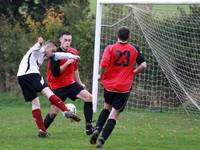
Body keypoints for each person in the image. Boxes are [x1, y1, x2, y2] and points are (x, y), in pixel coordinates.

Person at [90, 26, 147, 148]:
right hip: (124, 88)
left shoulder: (110, 48)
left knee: (106, 108)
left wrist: (101, 76)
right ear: (129, 36)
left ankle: (97, 128)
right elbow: (144, 65)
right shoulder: (134, 49)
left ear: (117, 36)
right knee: (114, 114)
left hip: (109, 86)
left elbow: (104, 64)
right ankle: (101, 140)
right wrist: (133, 72)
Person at [17, 37, 81, 138]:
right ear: (47, 47)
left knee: (35, 103)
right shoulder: (39, 49)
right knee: (47, 91)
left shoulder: (46, 54)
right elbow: (36, 47)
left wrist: (72, 56)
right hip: (31, 74)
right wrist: (39, 42)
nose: (53, 53)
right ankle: (66, 110)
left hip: (21, 77)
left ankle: (42, 131)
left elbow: (58, 55)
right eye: (52, 50)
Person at [44, 31, 93, 135]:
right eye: (65, 40)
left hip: (71, 84)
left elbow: (75, 70)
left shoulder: (74, 52)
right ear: (60, 40)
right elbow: (56, 73)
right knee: (53, 113)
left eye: (69, 40)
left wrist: (80, 83)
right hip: (57, 87)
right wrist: (67, 62)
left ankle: (89, 127)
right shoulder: (55, 53)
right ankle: (42, 130)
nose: (67, 42)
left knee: (89, 97)